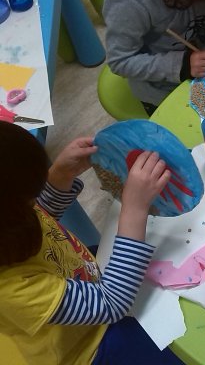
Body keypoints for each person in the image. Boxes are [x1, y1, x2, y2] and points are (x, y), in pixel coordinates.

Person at [0, 122, 183, 364]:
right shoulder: (11, 290)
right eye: (29, 202)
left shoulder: (11, 222)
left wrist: (59, 176)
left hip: (87, 277)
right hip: (89, 347)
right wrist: (135, 208)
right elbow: (112, 303)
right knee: (180, 347)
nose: (34, 206)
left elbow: (40, 218)